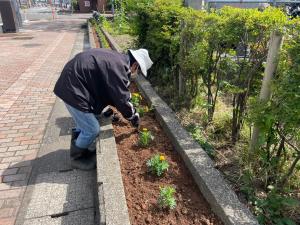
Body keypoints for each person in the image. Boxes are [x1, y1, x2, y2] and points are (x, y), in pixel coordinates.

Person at [54, 48, 153, 170]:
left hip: (73, 81)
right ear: (135, 64)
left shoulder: (118, 60)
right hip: (73, 89)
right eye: (137, 70)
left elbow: (108, 89)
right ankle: (77, 158)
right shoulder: (119, 69)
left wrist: (106, 110)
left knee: (86, 121)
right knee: (92, 129)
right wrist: (133, 116)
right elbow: (121, 98)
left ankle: (80, 144)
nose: (135, 73)